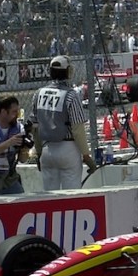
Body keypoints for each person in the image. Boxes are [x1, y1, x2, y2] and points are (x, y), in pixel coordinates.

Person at [32, 55, 94, 191]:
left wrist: (38, 152)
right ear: (68, 72)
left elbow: (35, 127)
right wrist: (86, 155)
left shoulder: (38, 94)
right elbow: (78, 129)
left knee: (50, 194)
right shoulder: (71, 95)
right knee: (72, 194)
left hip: (46, 149)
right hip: (68, 149)